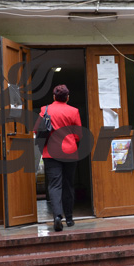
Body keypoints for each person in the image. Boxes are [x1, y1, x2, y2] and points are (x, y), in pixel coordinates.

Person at [39, 84, 82, 232]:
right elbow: (78, 135)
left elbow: (37, 130)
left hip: (51, 153)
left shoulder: (45, 110)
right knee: (68, 184)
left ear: (54, 97)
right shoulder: (74, 111)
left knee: (54, 185)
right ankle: (69, 218)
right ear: (67, 98)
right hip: (69, 152)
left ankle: (57, 216)